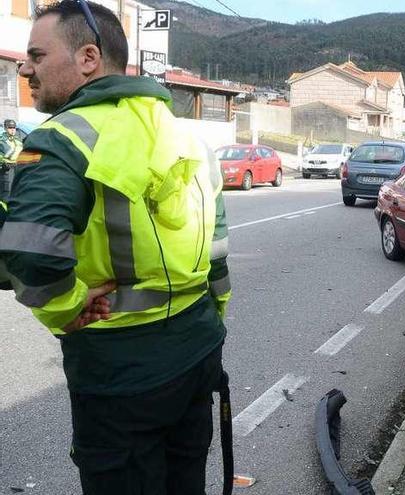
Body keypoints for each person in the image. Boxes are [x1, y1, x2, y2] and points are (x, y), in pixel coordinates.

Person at [0, 2, 231, 493]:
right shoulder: (187, 136)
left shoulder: (63, 137)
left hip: (121, 369)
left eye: (37, 56)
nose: (25, 68)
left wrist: (64, 307)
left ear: (88, 58)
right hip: (198, 349)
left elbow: (30, 251)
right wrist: (211, 318)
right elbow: (218, 247)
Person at [0, 119, 24, 199]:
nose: (12, 129)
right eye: (10, 127)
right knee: (7, 193)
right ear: (5, 128)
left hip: (17, 169)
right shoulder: (1, 141)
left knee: (18, 191)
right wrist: (2, 165)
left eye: (14, 127)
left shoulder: (18, 140)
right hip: (6, 170)